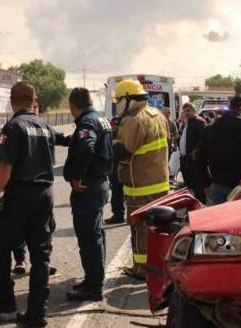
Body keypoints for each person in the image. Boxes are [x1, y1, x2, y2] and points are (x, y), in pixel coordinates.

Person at [0, 81, 56, 327]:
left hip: (19, 196)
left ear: (12, 101)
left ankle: (5, 302)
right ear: (33, 99)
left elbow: (5, 166)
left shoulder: (14, 127)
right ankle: (37, 312)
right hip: (44, 195)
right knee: (41, 254)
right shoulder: (45, 126)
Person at [113, 79, 169, 279]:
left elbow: (122, 151)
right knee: (156, 228)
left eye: (119, 99)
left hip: (141, 186)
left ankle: (143, 269)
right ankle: (153, 266)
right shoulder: (158, 115)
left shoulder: (133, 120)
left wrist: (108, 141)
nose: (117, 103)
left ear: (129, 99)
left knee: (140, 228)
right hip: (159, 182)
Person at [63, 88, 113, 301]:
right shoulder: (100, 119)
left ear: (73, 106)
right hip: (99, 184)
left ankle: (93, 287)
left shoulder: (87, 122)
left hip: (89, 187)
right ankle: (93, 279)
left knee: (88, 238)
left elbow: (85, 147)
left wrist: (76, 177)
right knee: (95, 234)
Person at [196, 95, 241, 205]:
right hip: (239, 187)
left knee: (217, 220)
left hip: (217, 184)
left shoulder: (211, 128)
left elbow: (199, 158)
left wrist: (205, 184)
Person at [179, 103, 207, 202]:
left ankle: (200, 204)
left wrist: (196, 150)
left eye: (189, 110)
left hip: (194, 159)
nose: (187, 113)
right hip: (185, 158)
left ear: (194, 111)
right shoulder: (187, 122)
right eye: (185, 111)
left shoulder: (199, 122)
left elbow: (204, 138)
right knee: (190, 184)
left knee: (198, 185)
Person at [104, 116, 125, 225]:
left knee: (119, 192)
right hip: (115, 167)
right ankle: (118, 215)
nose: (115, 127)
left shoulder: (126, 136)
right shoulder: (110, 136)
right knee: (117, 191)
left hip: (124, 167)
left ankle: (120, 214)